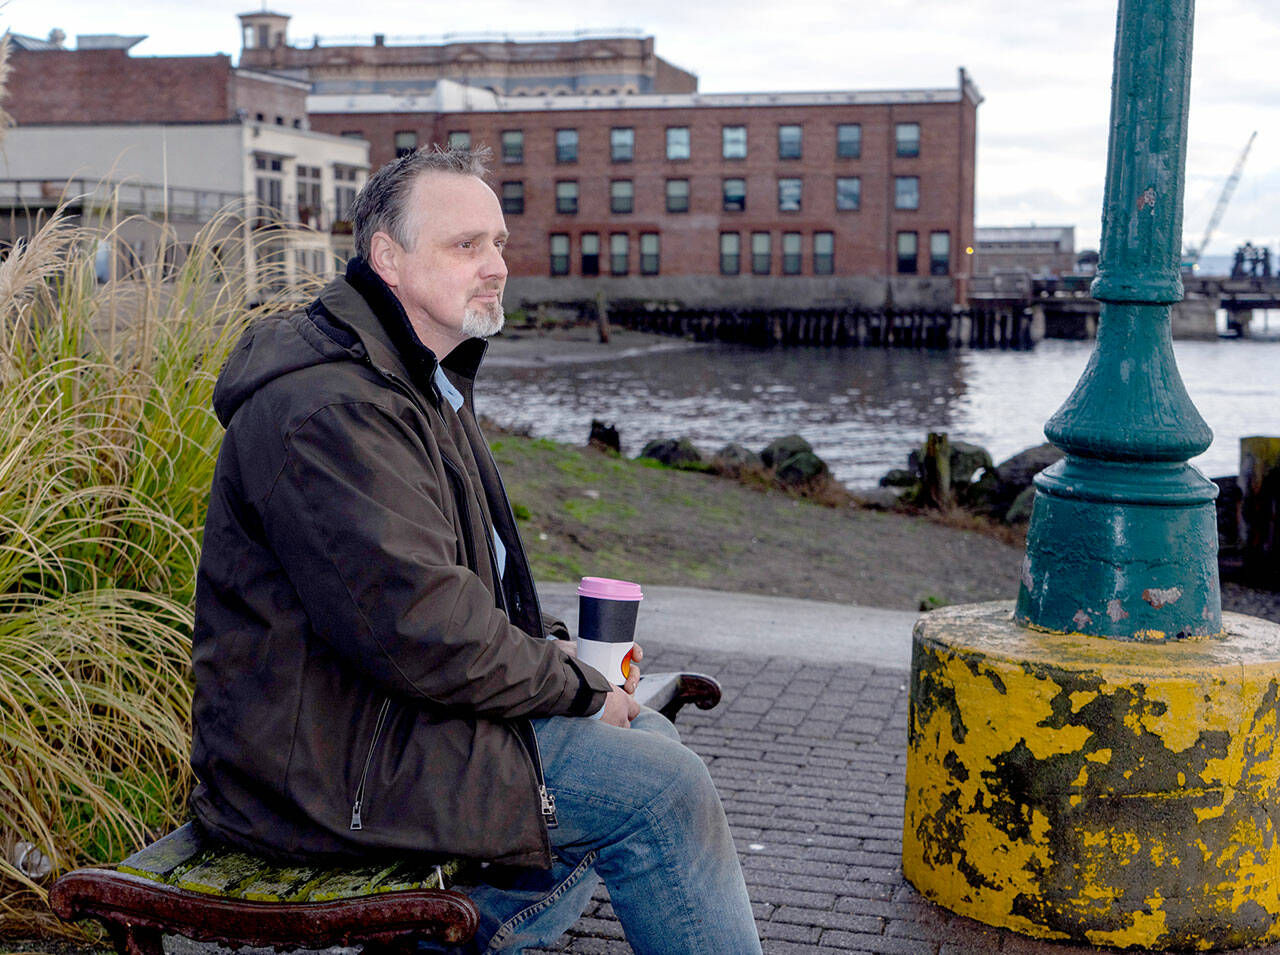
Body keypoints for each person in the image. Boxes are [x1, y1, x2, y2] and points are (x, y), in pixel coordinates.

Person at [188, 147, 761, 955]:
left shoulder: (422, 381)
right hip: (324, 768)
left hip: (389, 720)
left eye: (498, 243)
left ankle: (440, 939)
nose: (495, 266)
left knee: (647, 747)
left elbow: (456, 598)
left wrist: (559, 664)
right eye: (466, 246)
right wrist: (576, 686)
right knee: (661, 789)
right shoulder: (328, 409)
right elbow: (421, 625)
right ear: (389, 257)